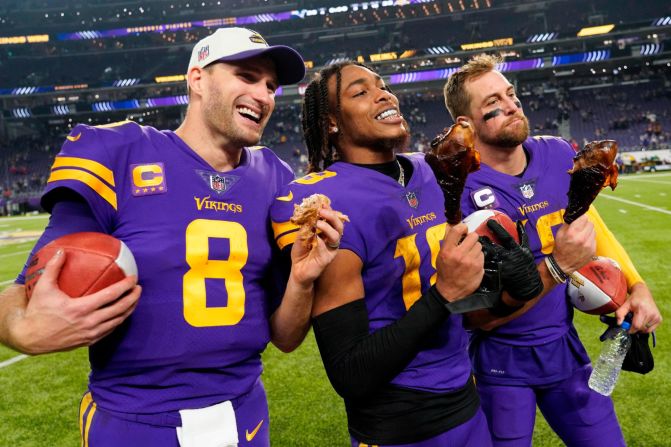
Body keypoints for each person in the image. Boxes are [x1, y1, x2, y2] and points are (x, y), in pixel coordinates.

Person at [0, 27, 344, 447]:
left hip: (245, 414)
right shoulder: (121, 151)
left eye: (271, 86)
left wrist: (302, 281)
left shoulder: (277, 178)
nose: (264, 95)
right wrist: (20, 329)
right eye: (247, 76)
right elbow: (21, 291)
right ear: (197, 78)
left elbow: (286, 338)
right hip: (134, 421)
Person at [270, 61, 540, 446]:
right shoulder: (326, 203)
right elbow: (351, 372)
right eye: (360, 91)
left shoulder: (430, 170)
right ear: (331, 122)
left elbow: (457, 306)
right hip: (399, 425)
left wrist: (509, 293)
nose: (383, 94)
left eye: (382, 85)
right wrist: (445, 293)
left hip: (466, 401)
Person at [443, 54, 662, 446]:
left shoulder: (558, 152)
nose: (511, 105)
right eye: (493, 104)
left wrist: (637, 286)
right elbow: (477, 317)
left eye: (511, 94)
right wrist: (558, 266)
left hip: (564, 349)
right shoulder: (460, 187)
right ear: (466, 124)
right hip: (499, 363)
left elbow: (590, 225)